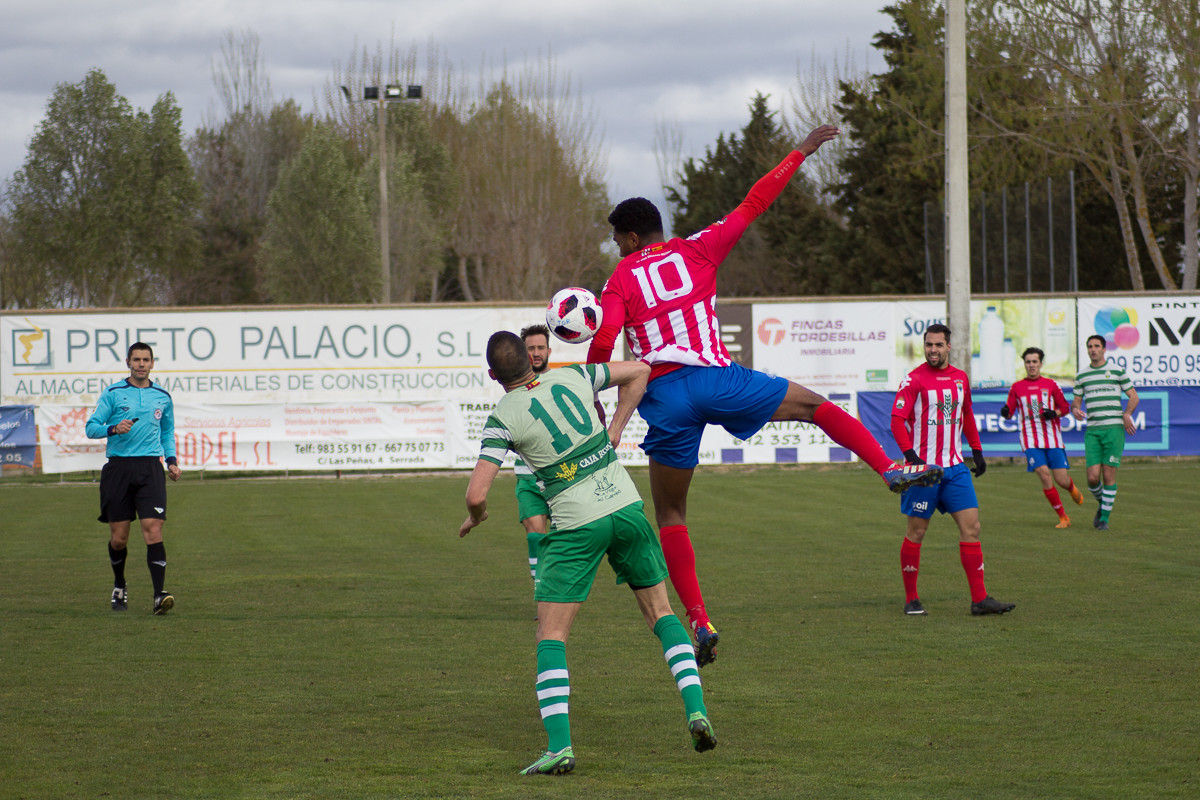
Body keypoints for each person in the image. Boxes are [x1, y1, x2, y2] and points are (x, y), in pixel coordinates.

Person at [586, 124, 942, 664]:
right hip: (718, 380)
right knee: (817, 408)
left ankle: (700, 620)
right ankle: (890, 470)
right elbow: (755, 202)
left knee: (673, 518)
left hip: (665, 398)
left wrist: (597, 397)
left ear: (631, 238)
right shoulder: (698, 249)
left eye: (616, 239)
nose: (616, 247)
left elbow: (607, 340)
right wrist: (801, 151)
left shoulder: (619, 279)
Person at [460, 331, 716, 776]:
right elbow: (640, 371)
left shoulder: (502, 415)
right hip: (626, 506)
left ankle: (559, 746)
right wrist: (615, 427)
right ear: (531, 359)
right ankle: (696, 711)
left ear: (492, 375)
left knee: (550, 637)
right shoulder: (575, 375)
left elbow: (476, 494)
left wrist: (477, 516)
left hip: (578, 524)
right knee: (662, 614)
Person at [890, 324, 1014, 617]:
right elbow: (897, 419)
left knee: (972, 528)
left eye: (938, 345)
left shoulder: (960, 379)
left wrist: (977, 451)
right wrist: (911, 457)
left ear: (949, 347)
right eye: (928, 345)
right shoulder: (913, 380)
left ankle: (980, 599)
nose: (933, 350)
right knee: (917, 531)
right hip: (925, 472)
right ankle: (911, 598)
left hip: (956, 468)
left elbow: (967, 413)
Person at [84, 342, 181, 615]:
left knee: (154, 529)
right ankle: (119, 585)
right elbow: (91, 428)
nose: (141, 364)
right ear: (128, 361)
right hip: (119, 469)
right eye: (136, 359)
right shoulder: (113, 393)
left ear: (152, 363)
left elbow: (167, 432)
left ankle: (159, 595)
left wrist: (171, 461)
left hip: (150, 468)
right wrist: (113, 428)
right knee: (119, 539)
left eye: (145, 359)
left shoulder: (162, 396)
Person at [1001, 347, 1085, 528]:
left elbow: (1064, 408)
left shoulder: (1051, 385)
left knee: (1061, 479)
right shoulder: (1017, 387)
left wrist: (1053, 413)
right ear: (1024, 364)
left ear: (1041, 364)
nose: (1031, 365)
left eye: (1034, 362)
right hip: (1030, 439)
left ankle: (1071, 488)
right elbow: (1010, 411)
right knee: (1044, 475)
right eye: (1028, 362)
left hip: (1052, 439)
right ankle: (1063, 517)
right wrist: (1006, 412)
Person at [1071, 334, 1138, 531]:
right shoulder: (1082, 375)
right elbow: (1076, 402)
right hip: (1093, 431)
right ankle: (1104, 504)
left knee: (1109, 476)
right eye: (1090, 346)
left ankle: (1104, 520)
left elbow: (1133, 396)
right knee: (1092, 478)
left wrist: (1127, 414)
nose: (1093, 349)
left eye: (1096, 346)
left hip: (1114, 430)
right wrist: (1075, 409)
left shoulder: (1117, 370)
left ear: (1104, 349)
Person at [516, 325, 553, 594]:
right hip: (527, 476)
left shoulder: (560, 382)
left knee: (565, 542)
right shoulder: (513, 389)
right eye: (530, 348)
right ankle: (542, 594)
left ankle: (559, 591)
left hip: (560, 475)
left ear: (549, 351)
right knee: (535, 535)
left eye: (540, 348)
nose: (536, 353)